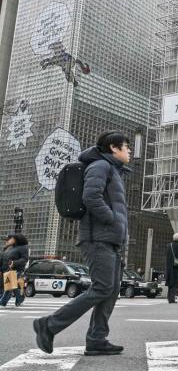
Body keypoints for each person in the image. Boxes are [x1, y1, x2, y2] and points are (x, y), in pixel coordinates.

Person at [33, 131, 131, 355]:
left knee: (112, 290)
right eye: (126, 146)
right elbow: (91, 197)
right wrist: (112, 219)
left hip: (111, 241)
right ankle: (48, 325)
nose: (129, 151)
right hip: (98, 239)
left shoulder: (113, 171)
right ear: (114, 148)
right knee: (102, 287)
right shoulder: (100, 166)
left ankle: (97, 339)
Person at [0, 233, 29, 307]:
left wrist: (14, 263)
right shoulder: (10, 247)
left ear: (17, 239)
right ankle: (20, 298)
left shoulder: (23, 247)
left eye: (12, 239)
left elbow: (24, 259)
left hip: (17, 270)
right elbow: (3, 259)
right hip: (7, 270)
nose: (10, 240)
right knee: (12, 287)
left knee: (10, 286)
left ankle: (3, 301)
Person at [166, 233, 178, 304]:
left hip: (168, 267)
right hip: (176, 267)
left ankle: (169, 297)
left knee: (170, 283)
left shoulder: (168, 246)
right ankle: (172, 299)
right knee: (174, 283)